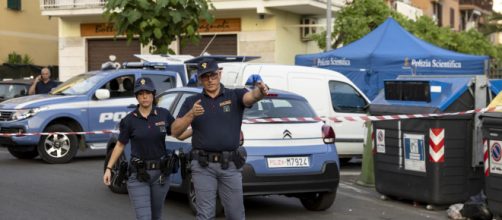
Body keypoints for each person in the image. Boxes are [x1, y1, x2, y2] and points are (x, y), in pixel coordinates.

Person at [171, 59, 269, 220]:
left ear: (220, 73)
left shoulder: (234, 95)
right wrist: (191, 115)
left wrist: (260, 92)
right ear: (200, 78)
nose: (210, 80)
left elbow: (250, 97)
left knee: (236, 214)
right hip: (203, 166)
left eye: (213, 75)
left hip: (230, 165)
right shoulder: (191, 102)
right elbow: (175, 131)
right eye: (205, 77)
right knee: (205, 214)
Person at [103, 77, 181, 220]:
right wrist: (109, 168)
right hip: (138, 175)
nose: (144, 96)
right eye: (140, 93)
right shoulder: (129, 120)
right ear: (137, 96)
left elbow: (178, 133)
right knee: (144, 217)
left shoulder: (164, 114)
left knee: (156, 216)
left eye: (148, 93)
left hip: (161, 175)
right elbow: (120, 144)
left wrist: (195, 127)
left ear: (153, 94)